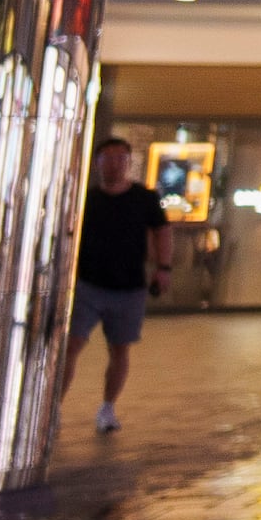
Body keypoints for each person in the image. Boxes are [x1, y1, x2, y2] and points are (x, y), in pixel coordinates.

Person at [56, 137, 183, 435]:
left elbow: (162, 232)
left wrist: (163, 268)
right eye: (108, 157)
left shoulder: (144, 198)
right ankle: (54, 409)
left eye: (120, 158)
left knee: (120, 350)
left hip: (129, 287)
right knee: (71, 345)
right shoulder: (87, 199)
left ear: (128, 162)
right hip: (88, 284)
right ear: (98, 162)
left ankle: (107, 408)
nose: (114, 163)